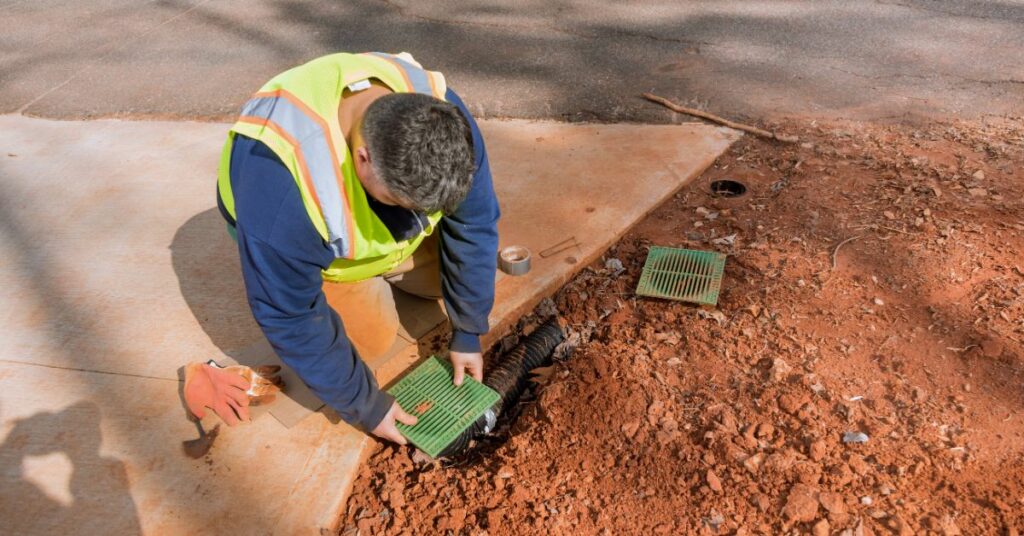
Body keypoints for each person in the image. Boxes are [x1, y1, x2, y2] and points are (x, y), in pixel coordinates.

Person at [184, 52, 500, 445]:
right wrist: (366, 405)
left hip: (348, 230)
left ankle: (397, 267)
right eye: (400, 202)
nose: (414, 217)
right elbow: (290, 315)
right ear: (363, 157)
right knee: (365, 346)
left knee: (450, 283)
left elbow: (474, 222)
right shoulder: (282, 189)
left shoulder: (444, 119)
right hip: (319, 253)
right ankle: (362, 284)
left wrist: (469, 329)